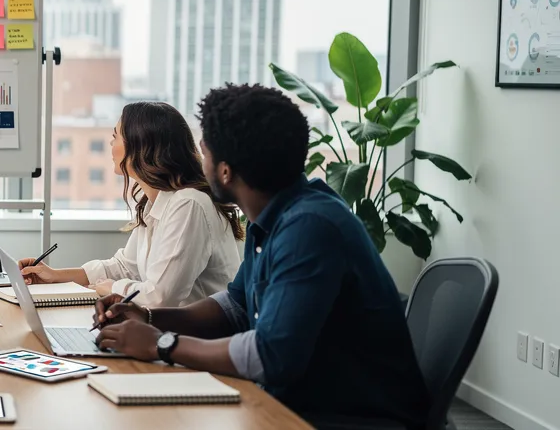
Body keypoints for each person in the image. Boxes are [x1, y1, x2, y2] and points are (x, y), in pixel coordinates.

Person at [92, 84, 429, 428]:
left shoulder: (309, 228)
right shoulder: (274, 216)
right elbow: (234, 306)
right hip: (301, 400)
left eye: (204, 150)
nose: (198, 158)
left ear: (225, 171)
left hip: (349, 418)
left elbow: (271, 355)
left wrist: (162, 344)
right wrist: (150, 317)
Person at [17, 101, 243, 307]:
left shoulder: (189, 204)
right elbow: (125, 267)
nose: (110, 143)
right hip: (167, 331)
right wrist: (56, 275)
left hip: (199, 340)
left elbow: (161, 297)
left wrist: (112, 289)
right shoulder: (155, 202)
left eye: (116, 136)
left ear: (140, 146)